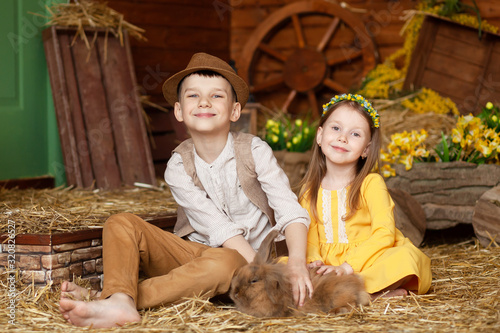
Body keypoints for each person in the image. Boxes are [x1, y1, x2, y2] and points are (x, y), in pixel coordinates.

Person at [59, 53, 312, 328]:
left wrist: (294, 263)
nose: (204, 102)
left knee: (225, 262)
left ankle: (112, 298)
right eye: (193, 96)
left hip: (243, 268)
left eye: (217, 96)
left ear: (235, 111)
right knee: (120, 223)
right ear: (179, 111)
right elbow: (218, 227)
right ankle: (120, 300)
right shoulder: (178, 166)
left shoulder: (254, 151)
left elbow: (289, 209)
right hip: (194, 258)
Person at [299, 93, 431, 298]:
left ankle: (351, 293)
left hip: (367, 259)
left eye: (355, 134)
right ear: (319, 135)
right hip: (326, 266)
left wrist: (347, 266)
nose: (343, 137)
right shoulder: (310, 190)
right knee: (285, 265)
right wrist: (314, 261)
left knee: (405, 258)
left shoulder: (371, 184)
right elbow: (309, 237)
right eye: (336, 128)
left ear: (366, 149)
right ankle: (368, 296)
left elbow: (384, 233)